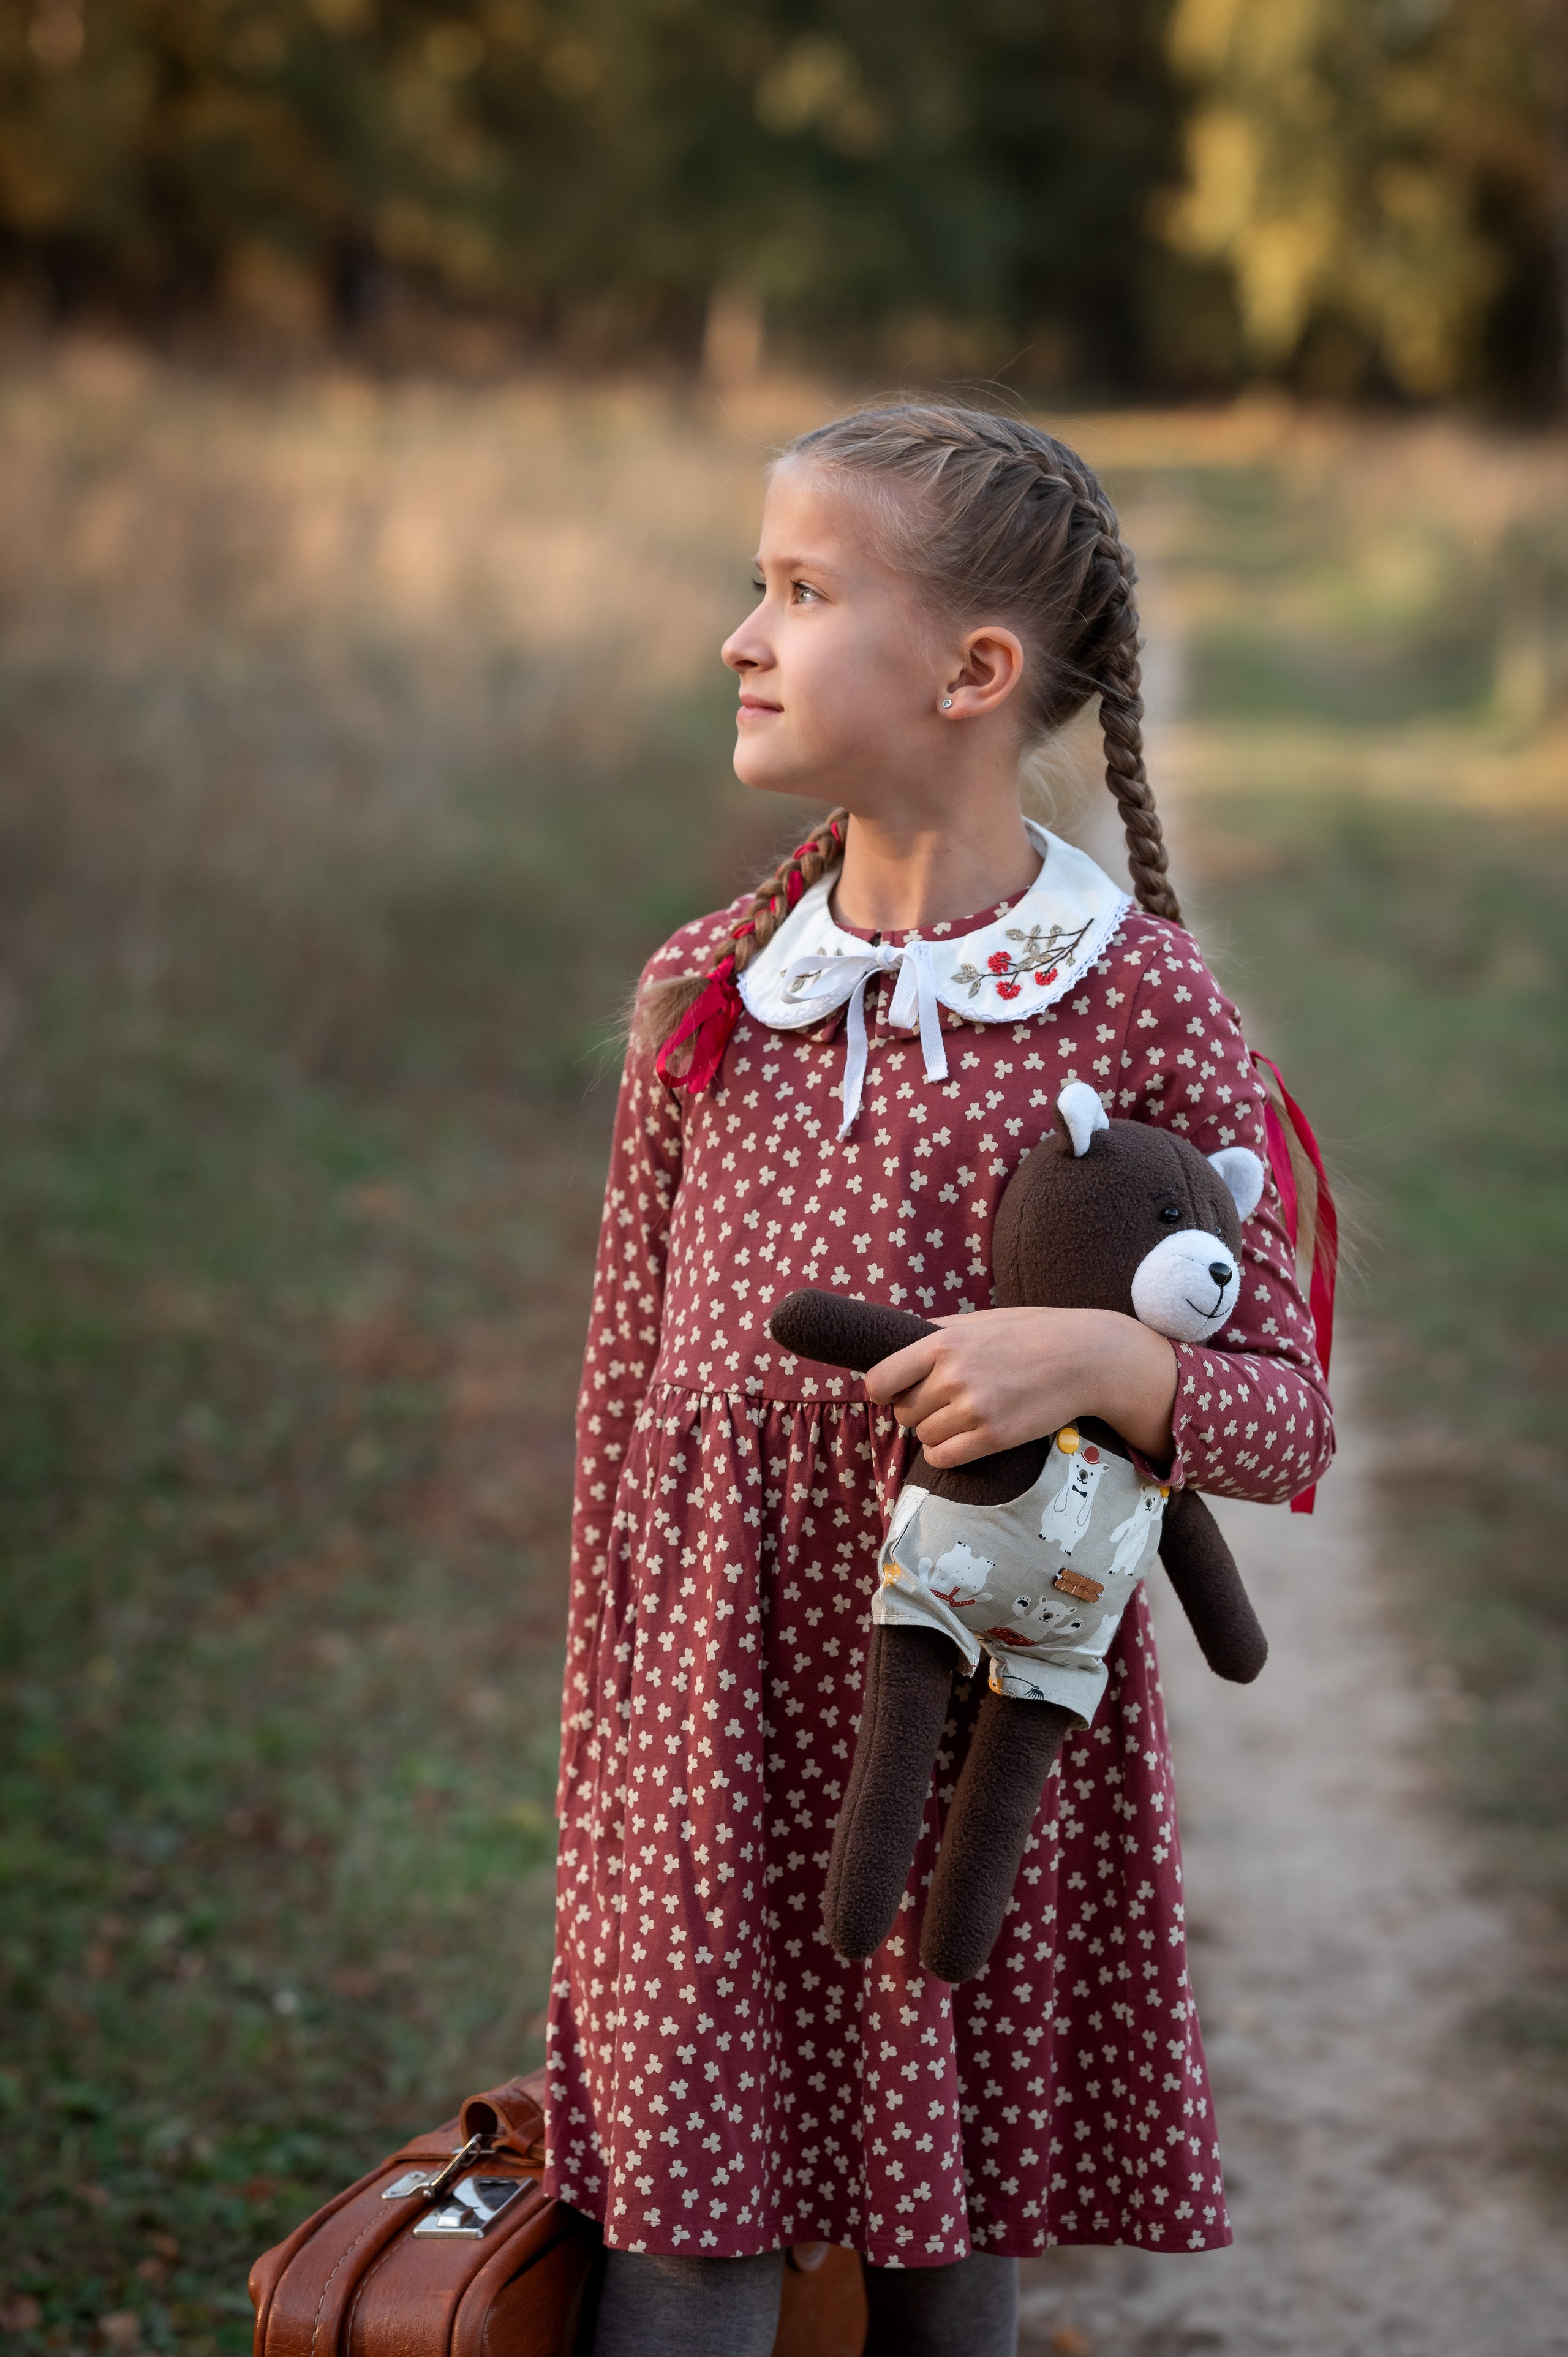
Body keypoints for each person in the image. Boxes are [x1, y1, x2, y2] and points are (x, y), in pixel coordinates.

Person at [543, 403, 1333, 2356]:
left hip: (985, 1741)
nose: (742, 632)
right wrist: (616, 1771)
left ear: (975, 674)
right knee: (685, 2244)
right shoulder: (708, 986)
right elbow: (622, 1409)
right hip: (715, 1741)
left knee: (936, 2229)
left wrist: (1110, 1355)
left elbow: (1289, 1415)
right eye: (758, 583)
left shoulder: (1134, 991)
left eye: (802, 593)